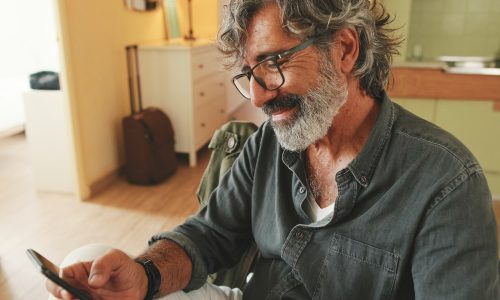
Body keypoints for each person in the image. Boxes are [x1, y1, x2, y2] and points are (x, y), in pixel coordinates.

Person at [47, 0, 500, 299]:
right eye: (250, 73)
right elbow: (209, 234)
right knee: (91, 262)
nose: (260, 98)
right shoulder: (271, 142)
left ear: (344, 49)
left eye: (274, 63)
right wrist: (142, 276)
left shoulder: (446, 184)